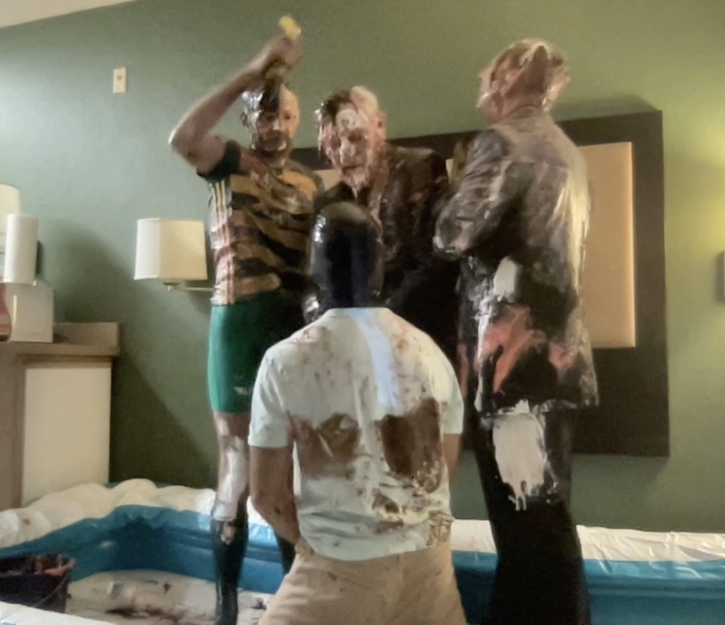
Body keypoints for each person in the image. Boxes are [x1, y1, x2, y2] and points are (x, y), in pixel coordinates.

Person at [432, 38, 599, 625]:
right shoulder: (569, 152)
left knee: (530, 540)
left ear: (506, 80)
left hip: (512, 373)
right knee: (546, 527)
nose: (482, 84)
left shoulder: (501, 143)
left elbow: (450, 235)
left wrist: (452, 186)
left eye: (489, 74)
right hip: (557, 366)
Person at [248, 203, 468, 625]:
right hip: (430, 571)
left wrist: (319, 549)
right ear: (379, 268)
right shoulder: (431, 354)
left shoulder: (286, 360)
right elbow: (446, 465)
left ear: (315, 268)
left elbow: (267, 496)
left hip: (340, 572)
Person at [168, 33, 323, 625]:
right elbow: (182, 138)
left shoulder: (310, 185)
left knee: (289, 466)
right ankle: (226, 609)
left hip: (291, 328)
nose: (276, 126)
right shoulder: (228, 162)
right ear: (247, 117)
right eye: (265, 114)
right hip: (238, 320)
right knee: (235, 465)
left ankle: (293, 600)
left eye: (286, 116)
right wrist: (252, 71)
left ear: (297, 121)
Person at [307, 87, 459, 363]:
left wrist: (376, 323)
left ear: (380, 126)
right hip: (357, 349)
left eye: (355, 137)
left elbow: (434, 265)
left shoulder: (418, 168)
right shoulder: (329, 204)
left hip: (419, 341)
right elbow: (318, 283)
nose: (345, 152)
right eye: (332, 144)